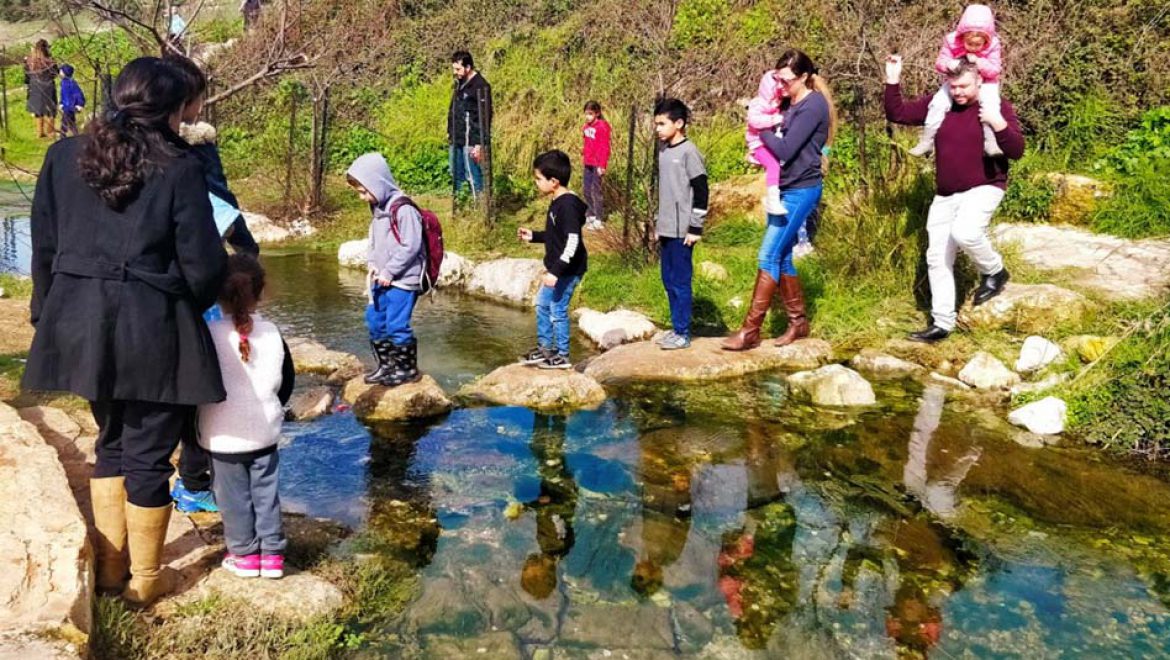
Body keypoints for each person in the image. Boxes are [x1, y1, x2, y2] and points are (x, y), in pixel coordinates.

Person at [23, 57, 228, 606]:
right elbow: (205, 264)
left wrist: (49, 313)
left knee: (110, 440)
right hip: (153, 323)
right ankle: (145, 579)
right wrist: (188, 306)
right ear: (169, 108)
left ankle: (112, 572)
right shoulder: (181, 167)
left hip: (79, 322)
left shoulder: (63, 155)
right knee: (150, 451)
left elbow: (43, 245)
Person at [164, 55, 260, 514]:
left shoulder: (123, 146)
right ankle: (198, 480)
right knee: (203, 386)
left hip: (148, 290)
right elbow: (222, 205)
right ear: (190, 99)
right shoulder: (197, 149)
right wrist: (246, 252)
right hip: (196, 284)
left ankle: (170, 478)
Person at [885, 54, 1024, 344]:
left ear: (979, 81)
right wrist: (893, 78)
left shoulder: (994, 106)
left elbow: (1017, 150)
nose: (959, 92)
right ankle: (942, 323)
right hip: (946, 194)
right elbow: (897, 113)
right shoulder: (941, 104)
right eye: (954, 86)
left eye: (964, 86)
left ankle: (995, 270)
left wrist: (997, 123)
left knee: (966, 232)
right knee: (936, 257)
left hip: (985, 185)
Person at [723, 49, 836, 352]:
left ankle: (750, 331)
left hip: (802, 189)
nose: (781, 86)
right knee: (783, 256)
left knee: (767, 255)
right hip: (786, 187)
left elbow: (786, 150)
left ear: (804, 77)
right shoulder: (787, 102)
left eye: (786, 81)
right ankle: (798, 323)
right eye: (778, 80)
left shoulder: (813, 106)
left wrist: (759, 132)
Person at [198, 254, 295, 580]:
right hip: (264, 431)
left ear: (215, 292)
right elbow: (286, 382)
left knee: (232, 497)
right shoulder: (271, 332)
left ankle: (244, 555)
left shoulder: (207, 334)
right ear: (260, 291)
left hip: (221, 433)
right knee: (266, 492)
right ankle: (272, 557)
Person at [347, 152, 427, 386]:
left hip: (403, 280)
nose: (362, 197)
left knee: (396, 324)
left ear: (378, 183)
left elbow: (411, 245)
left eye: (364, 191)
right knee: (374, 320)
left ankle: (407, 369)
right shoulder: (378, 209)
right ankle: (386, 365)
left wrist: (390, 271)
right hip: (381, 278)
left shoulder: (403, 209)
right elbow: (374, 241)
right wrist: (372, 264)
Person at [517, 150, 588, 370]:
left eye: (538, 179)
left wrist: (556, 271)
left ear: (554, 181)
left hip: (567, 270)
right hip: (559, 269)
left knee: (557, 309)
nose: (536, 183)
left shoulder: (567, 205)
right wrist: (535, 236)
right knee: (542, 306)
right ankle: (545, 347)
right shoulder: (557, 200)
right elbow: (557, 235)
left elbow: (572, 242)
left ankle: (563, 355)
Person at [910, 4, 1004, 158]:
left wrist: (979, 62)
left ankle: (990, 142)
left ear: (985, 40)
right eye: (969, 43)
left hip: (987, 81)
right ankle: (927, 141)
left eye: (977, 45)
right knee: (938, 102)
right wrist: (949, 64)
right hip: (958, 80)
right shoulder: (951, 40)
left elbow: (995, 70)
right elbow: (940, 62)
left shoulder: (993, 44)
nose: (973, 48)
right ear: (963, 37)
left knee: (991, 104)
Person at [652, 98, 707, 351]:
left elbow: (701, 190)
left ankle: (683, 332)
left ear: (679, 123)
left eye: (662, 124)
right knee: (667, 279)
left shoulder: (689, 152)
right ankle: (676, 328)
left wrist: (695, 227)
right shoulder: (663, 151)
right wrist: (658, 223)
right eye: (656, 124)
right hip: (665, 228)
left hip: (683, 231)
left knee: (680, 281)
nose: (658, 129)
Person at [447, 51, 492, 199]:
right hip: (456, 137)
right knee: (456, 174)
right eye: (454, 69)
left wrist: (479, 143)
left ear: (468, 67)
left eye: (458, 69)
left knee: (472, 175)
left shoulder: (481, 86)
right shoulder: (459, 83)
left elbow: (485, 116)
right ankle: (460, 205)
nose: (455, 73)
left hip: (471, 139)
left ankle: (479, 207)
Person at [745, 71, 786, 218]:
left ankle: (775, 195)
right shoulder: (758, 103)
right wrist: (774, 120)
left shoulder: (776, 104)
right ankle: (773, 199)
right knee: (773, 165)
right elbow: (754, 121)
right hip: (758, 144)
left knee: (779, 164)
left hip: (768, 143)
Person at [581, 100, 611, 230]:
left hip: (597, 164)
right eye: (586, 114)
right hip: (588, 162)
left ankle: (599, 218)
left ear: (597, 113)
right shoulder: (586, 127)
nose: (588, 116)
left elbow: (604, 147)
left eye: (590, 114)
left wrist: (602, 165)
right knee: (586, 189)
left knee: (596, 190)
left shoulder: (602, 127)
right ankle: (591, 213)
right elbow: (587, 143)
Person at [24, 39, 59, 139]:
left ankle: (39, 132)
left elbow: (26, 74)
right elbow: (55, 72)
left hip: (34, 85)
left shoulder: (29, 60)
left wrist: (27, 83)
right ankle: (50, 131)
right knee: (50, 109)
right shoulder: (50, 60)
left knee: (38, 110)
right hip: (48, 85)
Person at [58, 64, 86, 138]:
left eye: (61, 71)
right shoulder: (63, 83)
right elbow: (62, 95)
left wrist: (80, 104)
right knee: (71, 123)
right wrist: (61, 103)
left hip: (71, 106)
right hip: (66, 106)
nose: (60, 72)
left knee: (65, 122)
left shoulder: (72, 84)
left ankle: (63, 135)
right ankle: (75, 135)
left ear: (65, 72)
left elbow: (78, 94)